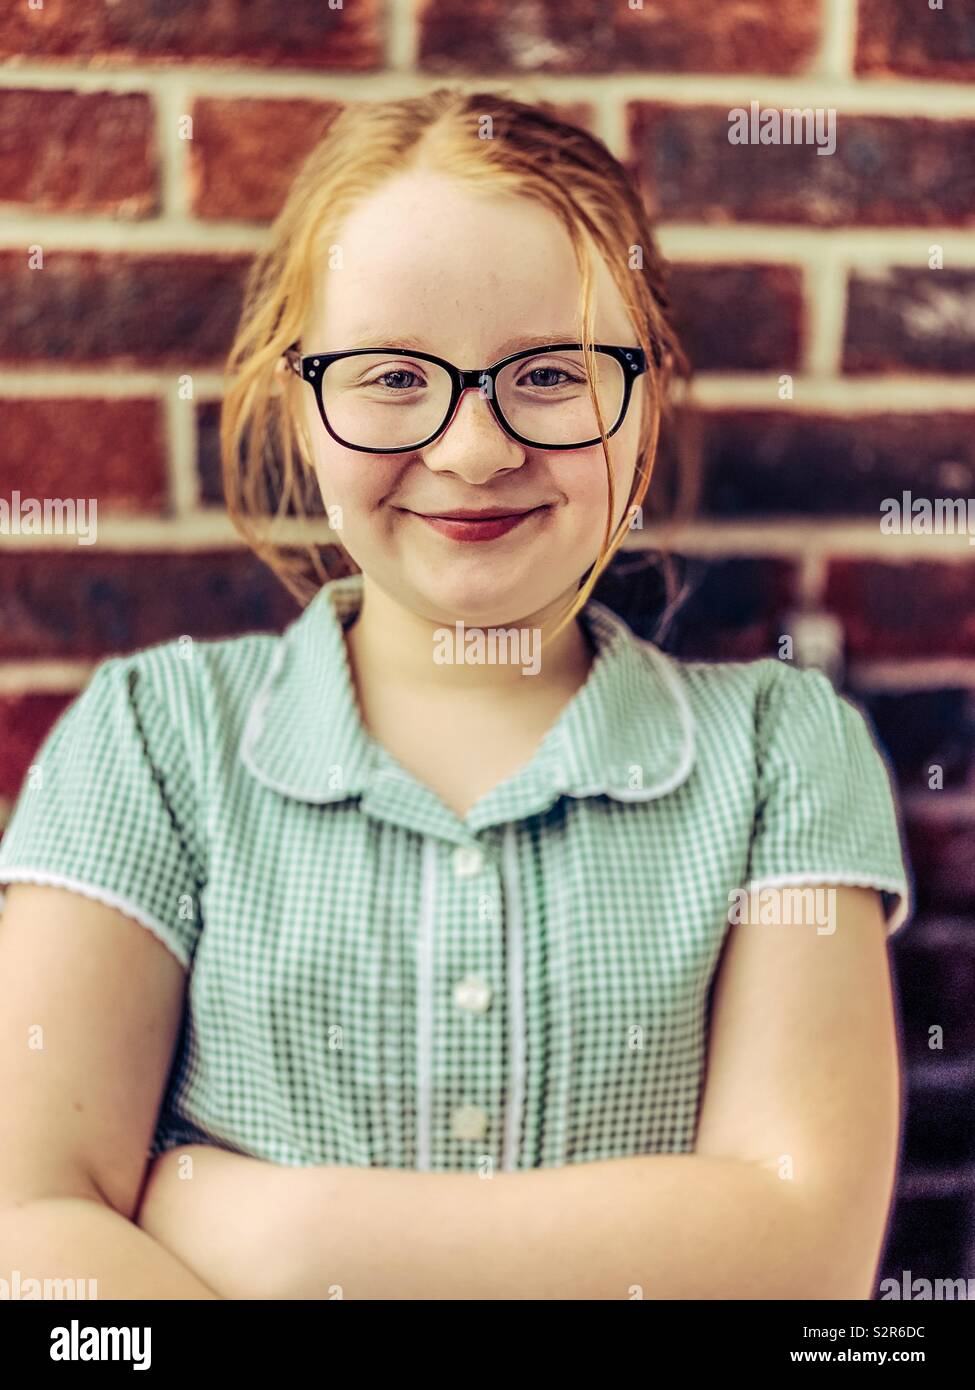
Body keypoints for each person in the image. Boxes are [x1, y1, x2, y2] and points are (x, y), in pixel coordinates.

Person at [0, 89, 912, 1300]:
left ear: (644, 406)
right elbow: (31, 1245)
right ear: (298, 405)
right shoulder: (151, 742)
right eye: (390, 376)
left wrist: (292, 1240)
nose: (473, 452)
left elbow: (805, 1268)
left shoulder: (784, 753)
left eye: (550, 373)